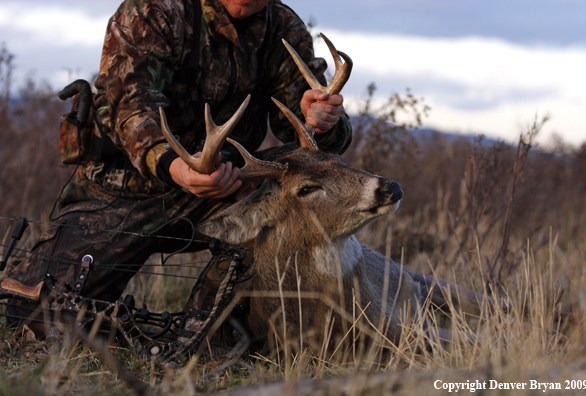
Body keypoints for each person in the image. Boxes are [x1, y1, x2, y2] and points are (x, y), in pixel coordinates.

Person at [3, 0, 351, 326]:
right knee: (30, 314)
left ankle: (217, 328)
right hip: (121, 193)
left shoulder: (284, 29)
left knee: (294, 183)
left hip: (220, 188)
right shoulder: (156, 10)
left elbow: (312, 140)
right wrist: (175, 167)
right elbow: (128, 104)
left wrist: (322, 119)